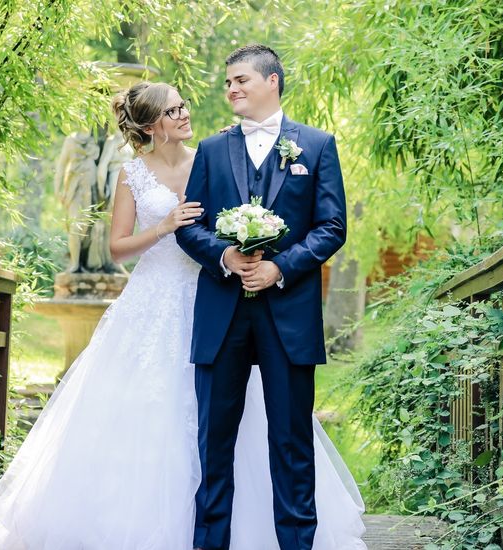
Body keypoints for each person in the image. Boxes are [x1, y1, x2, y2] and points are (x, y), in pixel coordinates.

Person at [0, 77, 366, 550]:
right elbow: (117, 248)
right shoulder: (132, 174)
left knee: (237, 421)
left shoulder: (215, 155)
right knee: (151, 416)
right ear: (153, 125)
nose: (184, 114)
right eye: (174, 110)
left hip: (218, 297)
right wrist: (162, 226)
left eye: (183, 106)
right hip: (157, 299)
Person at [175, 44, 350, 550]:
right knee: (214, 444)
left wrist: (278, 267)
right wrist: (226, 257)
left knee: (292, 442)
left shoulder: (316, 146)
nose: (230, 89)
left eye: (240, 80)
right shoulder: (210, 150)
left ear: (272, 81)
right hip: (222, 315)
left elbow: (332, 226)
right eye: (227, 82)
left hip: (287, 314)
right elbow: (190, 228)